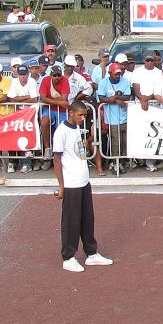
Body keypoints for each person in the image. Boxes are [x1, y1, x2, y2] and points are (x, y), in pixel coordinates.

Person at [54, 101, 112, 272]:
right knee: (71, 222)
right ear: (71, 113)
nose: (82, 118)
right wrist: (61, 186)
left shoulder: (79, 129)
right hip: (71, 183)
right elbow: (57, 160)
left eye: (84, 115)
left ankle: (91, 253)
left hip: (83, 180)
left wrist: (85, 144)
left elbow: (79, 153)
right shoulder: (61, 132)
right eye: (79, 115)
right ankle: (68, 257)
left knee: (88, 219)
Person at [95, 61, 132, 175]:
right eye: (115, 74)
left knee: (124, 141)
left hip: (124, 117)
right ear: (110, 73)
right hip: (112, 118)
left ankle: (121, 161)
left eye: (119, 74)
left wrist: (115, 97)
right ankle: (115, 162)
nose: (118, 76)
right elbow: (101, 97)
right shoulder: (103, 82)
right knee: (115, 142)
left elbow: (127, 95)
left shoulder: (125, 81)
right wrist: (113, 100)